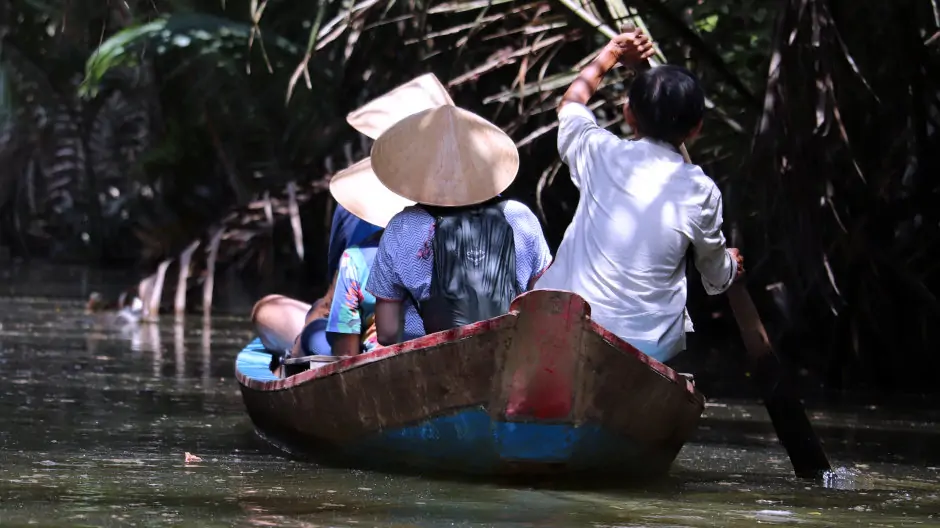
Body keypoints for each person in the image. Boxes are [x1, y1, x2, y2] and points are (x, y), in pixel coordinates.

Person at [534, 28, 744, 365]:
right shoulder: (701, 190)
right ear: (697, 128)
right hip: (647, 347)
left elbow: (571, 104)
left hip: (566, 326)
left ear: (629, 115)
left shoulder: (601, 151)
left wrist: (612, 52)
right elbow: (716, 274)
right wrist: (732, 264)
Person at [364, 104, 553, 345]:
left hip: (430, 363)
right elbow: (544, 302)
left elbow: (387, 332)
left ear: (419, 170)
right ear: (484, 163)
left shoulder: (403, 228)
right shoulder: (519, 217)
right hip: (510, 354)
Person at [251, 158, 413, 360]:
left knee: (303, 325)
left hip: (373, 351)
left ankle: (296, 352)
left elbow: (346, 355)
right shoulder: (454, 246)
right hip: (428, 343)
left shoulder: (356, 259)